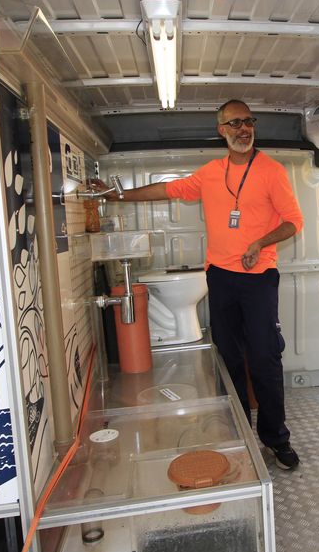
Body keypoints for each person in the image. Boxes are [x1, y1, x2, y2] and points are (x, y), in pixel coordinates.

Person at [109, 99, 304, 470]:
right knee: (228, 358)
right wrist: (117, 195)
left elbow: (294, 221)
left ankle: (276, 438)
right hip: (221, 277)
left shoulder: (271, 171)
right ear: (221, 130)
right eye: (235, 123)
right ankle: (238, 431)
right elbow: (167, 190)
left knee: (264, 358)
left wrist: (260, 242)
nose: (243, 129)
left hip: (259, 278)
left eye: (248, 122)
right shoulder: (211, 173)